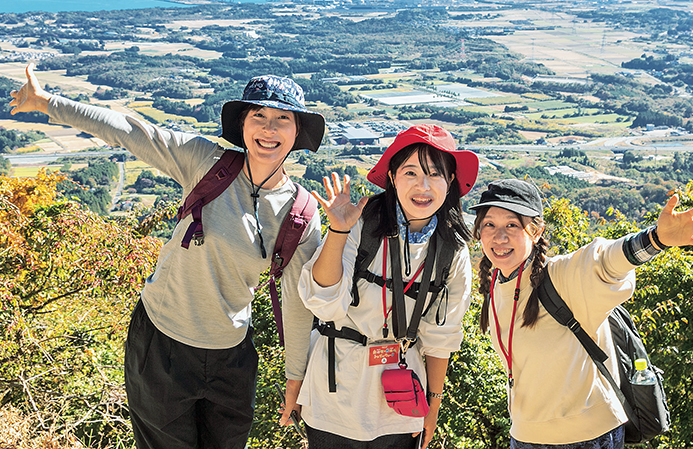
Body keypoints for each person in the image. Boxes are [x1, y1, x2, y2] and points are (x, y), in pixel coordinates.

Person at [9, 63, 325, 449]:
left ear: (298, 132)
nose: (269, 129)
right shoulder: (205, 162)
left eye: (282, 119)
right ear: (242, 124)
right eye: (258, 115)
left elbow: (296, 305)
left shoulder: (300, 214)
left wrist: (296, 379)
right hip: (161, 344)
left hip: (232, 358)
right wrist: (47, 103)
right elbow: (129, 131)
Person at [471, 179, 693, 448]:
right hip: (525, 437)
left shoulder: (562, 276)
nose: (499, 237)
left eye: (512, 225)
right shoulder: (497, 282)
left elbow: (606, 261)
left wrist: (655, 239)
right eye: (489, 224)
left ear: (536, 231)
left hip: (587, 437)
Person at [296, 124, 478, 449]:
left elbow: (441, 338)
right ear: (392, 177)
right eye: (411, 172)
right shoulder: (361, 223)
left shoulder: (452, 249)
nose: (423, 186)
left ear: (449, 181)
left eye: (435, 174)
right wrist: (338, 231)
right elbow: (323, 304)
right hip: (335, 389)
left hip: (399, 397)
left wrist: (432, 409)